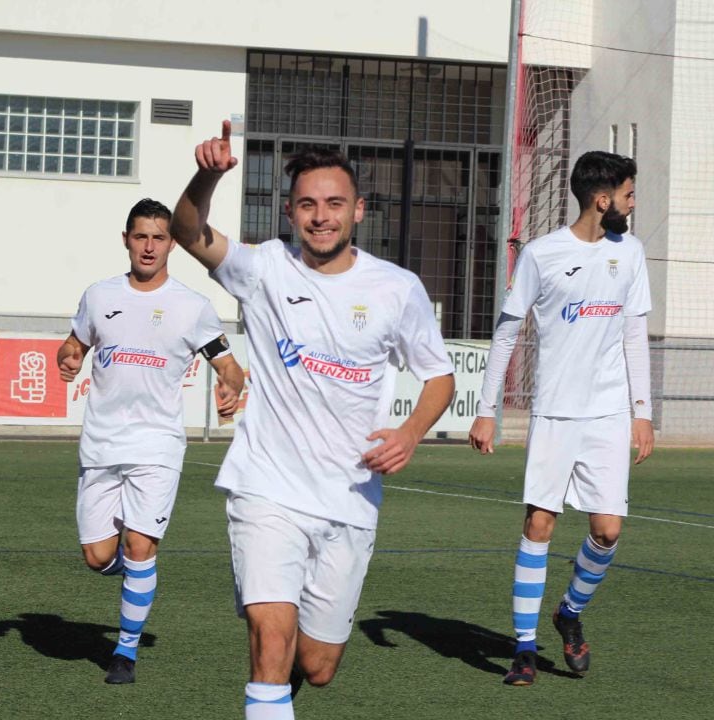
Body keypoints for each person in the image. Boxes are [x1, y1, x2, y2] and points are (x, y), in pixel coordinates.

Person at [170, 121, 455, 719]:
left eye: (333, 204)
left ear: (359, 210)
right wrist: (208, 177)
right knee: (270, 640)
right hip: (266, 488)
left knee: (317, 666)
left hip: (350, 498)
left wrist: (409, 433)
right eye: (307, 204)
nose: (320, 216)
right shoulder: (264, 268)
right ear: (289, 211)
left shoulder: (396, 289)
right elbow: (187, 232)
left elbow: (439, 377)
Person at [468, 150, 654, 686]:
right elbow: (506, 332)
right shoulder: (543, 255)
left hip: (609, 414)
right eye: (628, 193)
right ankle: (524, 650)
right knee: (539, 524)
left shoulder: (631, 254)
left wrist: (642, 413)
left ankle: (568, 612)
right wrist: (487, 411)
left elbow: (634, 335)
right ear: (603, 200)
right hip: (554, 412)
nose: (632, 202)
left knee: (608, 531)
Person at [57, 197, 244, 684]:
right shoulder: (99, 296)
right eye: (140, 236)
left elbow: (229, 366)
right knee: (99, 557)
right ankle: (135, 579)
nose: (149, 246)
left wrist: (230, 387)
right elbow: (75, 342)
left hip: (158, 445)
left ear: (172, 245)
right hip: (101, 444)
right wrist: (69, 356)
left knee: (141, 545)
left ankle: (124, 653)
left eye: (159, 238)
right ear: (126, 240)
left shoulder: (191, 307)